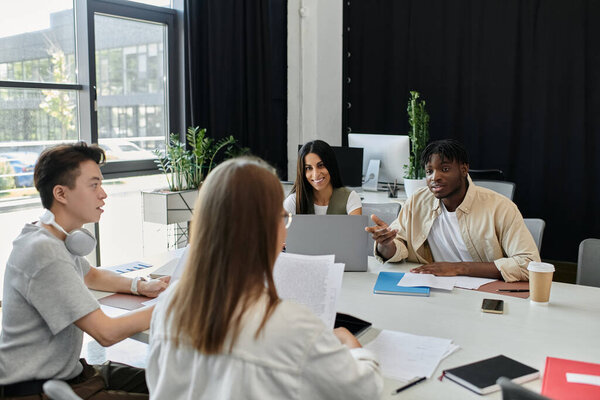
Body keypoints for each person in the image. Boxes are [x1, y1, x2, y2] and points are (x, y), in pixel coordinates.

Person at [147, 157, 382, 399]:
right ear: (266, 229)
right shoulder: (290, 325)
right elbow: (365, 390)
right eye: (283, 218)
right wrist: (350, 344)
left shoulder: (170, 303)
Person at [0, 142, 170, 399]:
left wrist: (140, 286)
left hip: (74, 374)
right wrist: (172, 304)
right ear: (61, 193)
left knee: (174, 382)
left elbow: (92, 275)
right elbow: (106, 333)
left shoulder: (52, 236)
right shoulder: (44, 252)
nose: (103, 194)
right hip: (41, 390)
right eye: (94, 185)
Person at [366, 139, 540, 282]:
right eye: (429, 171)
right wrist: (386, 244)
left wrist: (458, 267)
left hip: (484, 290)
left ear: (464, 169)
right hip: (434, 287)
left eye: (445, 169)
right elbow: (400, 246)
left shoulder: (500, 207)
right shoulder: (417, 201)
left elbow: (528, 264)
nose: (435, 177)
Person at [284, 140, 362, 215]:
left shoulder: (350, 198)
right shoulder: (293, 201)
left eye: (321, 165)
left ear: (331, 165)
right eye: (308, 168)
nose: (315, 174)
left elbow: (356, 228)